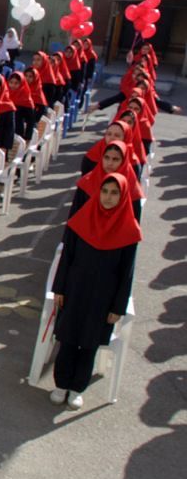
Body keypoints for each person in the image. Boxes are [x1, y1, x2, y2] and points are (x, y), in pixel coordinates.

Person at [50, 173, 140, 410]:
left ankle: (77, 388)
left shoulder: (128, 230)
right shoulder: (82, 220)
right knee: (68, 338)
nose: (108, 197)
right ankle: (61, 384)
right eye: (105, 191)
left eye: (114, 193)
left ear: (123, 197)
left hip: (103, 296)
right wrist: (59, 288)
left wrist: (117, 307)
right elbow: (67, 257)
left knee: (89, 343)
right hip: (75, 289)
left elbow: (126, 273)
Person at [69, 141, 143, 221]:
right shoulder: (87, 181)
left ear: (123, 161)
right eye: (106, 157)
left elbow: (134, 220)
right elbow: (74, 216)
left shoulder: (132, 186)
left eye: (115, 159)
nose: (110, 163)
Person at [7, 71, 37, 142]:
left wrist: (27, 138)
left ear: (22, 83)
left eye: (16, 83)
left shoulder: (26, 99)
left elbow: (31, 121)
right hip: (3, 132)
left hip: (17, 134)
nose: (13, 85)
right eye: (11, 82)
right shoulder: (5, 96)